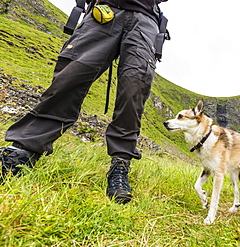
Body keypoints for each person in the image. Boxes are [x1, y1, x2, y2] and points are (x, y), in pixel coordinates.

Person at [0, 0, 169, 204]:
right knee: (71, 76)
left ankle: (120, 165)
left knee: (134, 88)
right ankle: (22, 151)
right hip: (105, 9)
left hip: (145, 18)